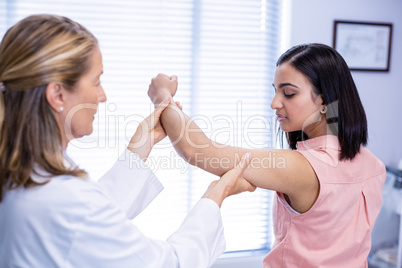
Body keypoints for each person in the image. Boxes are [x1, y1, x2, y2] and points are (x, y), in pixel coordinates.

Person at [0, 14, 256, 268]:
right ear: (57, 94)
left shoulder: (22, 175)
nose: (103, 96)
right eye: (96, 82)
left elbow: (89, 225)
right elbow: (169, 264)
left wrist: (137, 150)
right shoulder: (65, 199)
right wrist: (215, 196)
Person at [147, 43, 386, 267]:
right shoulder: (374, 166)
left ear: (324, 100)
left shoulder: (300, 168)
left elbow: (198, 150)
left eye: (289, 94)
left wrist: (162, 97)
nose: (274, 103)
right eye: (275, 91)